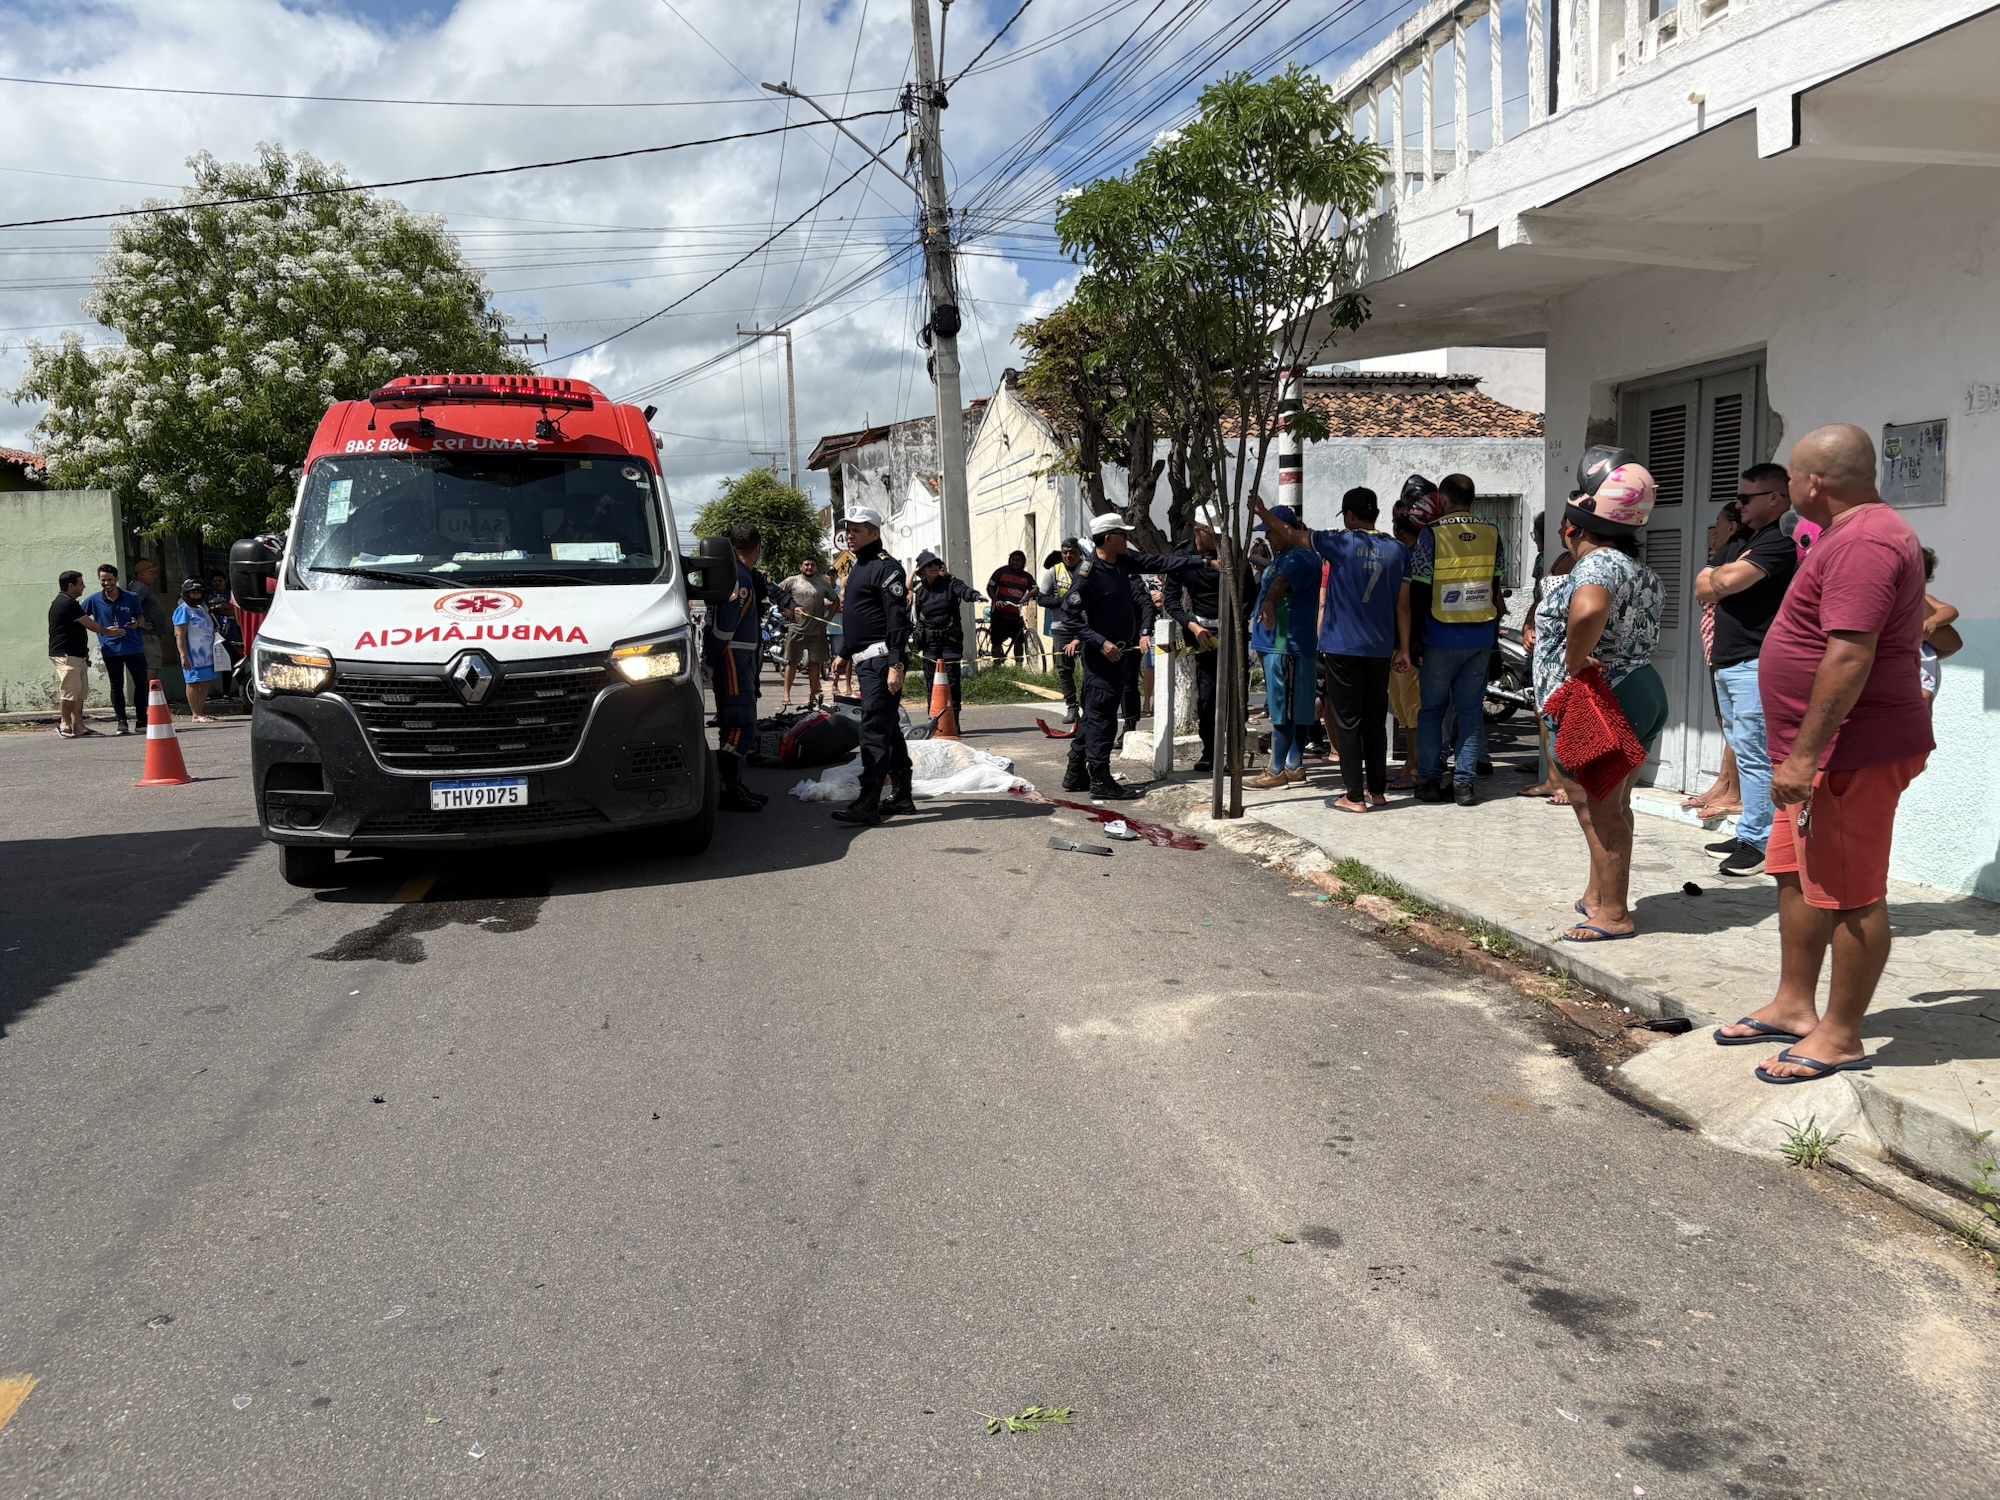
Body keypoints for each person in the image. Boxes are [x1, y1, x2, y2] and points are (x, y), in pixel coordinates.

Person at [1716, 425, 1932, 1084]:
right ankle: (1792, 1006)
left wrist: (1805, 756)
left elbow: (1849, 652)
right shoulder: (1849, 533)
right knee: (1794, 873)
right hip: (1812, 754)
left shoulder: (1866, 540)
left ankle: (1841, 1035)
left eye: (1790, 480)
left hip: (1847, 751)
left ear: (1812, 483)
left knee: (1850, 893)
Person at [1532, 463, 1667, 944]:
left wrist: (1573, 659)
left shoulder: (1598, 564)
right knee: (1615, 804)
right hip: (1640, 689)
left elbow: (1588, 609)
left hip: (1599, 697)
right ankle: (1597, 895)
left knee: (1596, 810)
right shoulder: (1641, 572)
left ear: (1576, 527)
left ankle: (1613, 913)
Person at [1057, 514, 1216, 801]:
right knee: (1103, 719)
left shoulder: (1124, 561)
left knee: (1095, 715)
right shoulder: (1088, 573)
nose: (1127, 538)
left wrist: (1202, 562)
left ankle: (1075, 772)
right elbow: (1069, 615)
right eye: (1122, 533)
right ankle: (1101, 780)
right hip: (1102, 658)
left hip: (1120, 654)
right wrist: (1099, 641)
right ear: (1108, 538)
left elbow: (1161, 562)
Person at [1693, 463, 1799, 878]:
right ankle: (1750, 830)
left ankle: (1761, 841)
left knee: (1757, 754)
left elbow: (1724, 583)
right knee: (1745, 751)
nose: (1738, 507)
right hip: (1728, 661)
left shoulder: (1779, 543)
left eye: (1745, 498)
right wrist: (1718, 578)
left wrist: (1718, 579)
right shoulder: (1741, 540)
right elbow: (1704, 584)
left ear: (1775, 497)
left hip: (1756, 662)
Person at [1289, 486, 1411, 812]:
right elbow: (1403, 606)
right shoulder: (1398, 550)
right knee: (1374, 720)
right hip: (1380, 648)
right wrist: (1404, 649)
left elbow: (1294, 534)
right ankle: (1378, 790)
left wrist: (1261, 513)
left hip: (1343, 647)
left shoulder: (1341, 542)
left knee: (1347, 722)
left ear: (1350, 516)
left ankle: (1354, 796)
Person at [1408, 473, 1505, 806]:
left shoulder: (1430, 534)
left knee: (1432, 712)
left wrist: (1413, 639)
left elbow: (1419, 589)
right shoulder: (1492, 534)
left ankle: (1430, 784)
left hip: (1438, 635)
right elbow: (1494, 586)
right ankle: (1464, 785)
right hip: (1479, 636)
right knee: (1469, 712)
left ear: (1443, 500)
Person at [831, 506, 914, 826]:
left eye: (857, 529)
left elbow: (896, 620)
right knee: (887, 728)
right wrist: (844, 652)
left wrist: (897, 664)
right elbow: (862, 617)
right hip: (865, 658)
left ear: (875, 533)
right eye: (848, 528)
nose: (850, 534)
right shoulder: (859, 566)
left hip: (881, 661)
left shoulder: (885, 568)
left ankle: (868, 802)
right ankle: (903, 795)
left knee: (873, 731)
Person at [1161, 508, 1252, 775]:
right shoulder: (1182, 555)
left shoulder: (1233, 554)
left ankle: (1235, 752)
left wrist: (1237, 623)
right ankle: (1210, 753)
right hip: (1200, 634)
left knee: (1238, 695)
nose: (1219, 541)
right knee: (1208, 696)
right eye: (1214, 535)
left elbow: (1249, 595)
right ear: (1198, 531)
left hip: (1233, 632)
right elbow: (1170, 600)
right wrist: (1191, 624)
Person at [702, 523, 786, 813]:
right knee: (741, 723)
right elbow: (725, 628)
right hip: (733, 656)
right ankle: (728, 787)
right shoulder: (738, 578)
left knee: (734, 724)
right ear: (758, 548)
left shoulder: (740, 575)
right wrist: (711, 660)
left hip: (740, 654)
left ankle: (733, 782)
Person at [1243, 504, 1323, 790]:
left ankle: (1276, 770)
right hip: (1280, 645)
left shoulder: (1299, 558)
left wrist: (1268, 602)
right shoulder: (1284, 556)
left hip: (1286, 647)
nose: (1268, 539)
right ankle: (1293, 765)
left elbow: (1280, 584)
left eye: (1271, 533)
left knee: (1284, 710)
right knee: (1296, 709)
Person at [50, 570, 126, 738]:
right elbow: (91, 625)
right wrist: (108, 631)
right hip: (66, 655)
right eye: (80, 583)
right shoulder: (66, 603)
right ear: (71, 585)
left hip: (77, 655)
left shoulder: (71, 603)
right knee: (70, 691)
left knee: (79, 692)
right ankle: (64, 723)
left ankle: (79, 725)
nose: (83, 586)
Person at [911, 549, 984, 715]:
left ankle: (954, 719)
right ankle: (934, 718)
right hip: (930, 642)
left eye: (936, 563)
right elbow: (909, 606)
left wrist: (976, 596)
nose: (934, 567)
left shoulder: (950, 583)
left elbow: (964, 590)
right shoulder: (919, 590)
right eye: (928, 565)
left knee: (951, 681)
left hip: (950, 640)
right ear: (921, 570)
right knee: (932, 682)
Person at [84, 564, 151, 735]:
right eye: (103, 580)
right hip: (110, 649)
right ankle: (121, 721)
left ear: (117, 579)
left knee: (141, 683)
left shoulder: (131, 597)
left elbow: (140, 616)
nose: (106, 583)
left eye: (110, 579)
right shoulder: (93, 599)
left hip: (134, 647)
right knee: (116, 685)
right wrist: (100, 629)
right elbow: (79, 617)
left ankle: (141, 720)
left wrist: (137, 623)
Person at [776, 555, 839, 707]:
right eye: (806, 565)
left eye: (812, 565)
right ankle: (786, 694)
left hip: (817, 631)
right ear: (801, 567)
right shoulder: (792, 581)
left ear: (816, 568)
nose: (809, 567)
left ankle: (813, 695)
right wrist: (785, 611)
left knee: (815, 663)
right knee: (792, 662)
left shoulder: (822, 583)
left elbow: (835, 600)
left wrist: (829, 618)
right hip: (797, 628)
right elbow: (776, 594)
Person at [1037, 539, 1085, 723]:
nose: (1068, 555)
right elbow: (1042, 599)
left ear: (1079, 553)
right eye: (1065, 552)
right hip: (1061, 627)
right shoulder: (1054, 571)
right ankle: (1072, 707)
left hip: (1085, 626)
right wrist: (1062, 601)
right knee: (1064, 669)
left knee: (1090, 668)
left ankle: (1087, 705)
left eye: (1072, 552)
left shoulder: (1087, 570)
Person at [172, 578, 224, 723]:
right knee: (193, 682)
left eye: (198, 593)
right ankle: (195, 714)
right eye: (193, 593)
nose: (196, 596)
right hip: (193, 654)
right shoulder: (182, 610)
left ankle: (201, 712)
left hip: (207, 654)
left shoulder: (202, 609)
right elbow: (179, 634)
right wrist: (184, 656)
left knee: (205, 682)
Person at [1918, 547, 1961, 708]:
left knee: (1924, 697)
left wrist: (1933, 621)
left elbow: (1950, 610)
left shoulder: (1925, 600)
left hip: (1923, 660)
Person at [985, 550, 1037, 666]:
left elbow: (1035, 589)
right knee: (997, 642)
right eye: (1012, 559)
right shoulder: (1001, 572)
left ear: (1023, 562)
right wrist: (996, 600)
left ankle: (1018, 667)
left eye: (1018, 560)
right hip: (999, 613)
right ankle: (997, 667)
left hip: (1015, 614)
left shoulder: (1027, 577)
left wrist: (1027, 595)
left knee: (1019, 641)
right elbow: (990, 587)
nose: (1015, 562)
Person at [127, 557, 170, 684]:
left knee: (153, 666)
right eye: (151, 573)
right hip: (146, 636)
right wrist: (140, 622)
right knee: (151, 667)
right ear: (142, 574)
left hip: (149, 636)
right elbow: (129, 606)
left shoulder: (143, 587)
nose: (155, 576)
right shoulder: (140, 587)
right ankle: (149, 699)